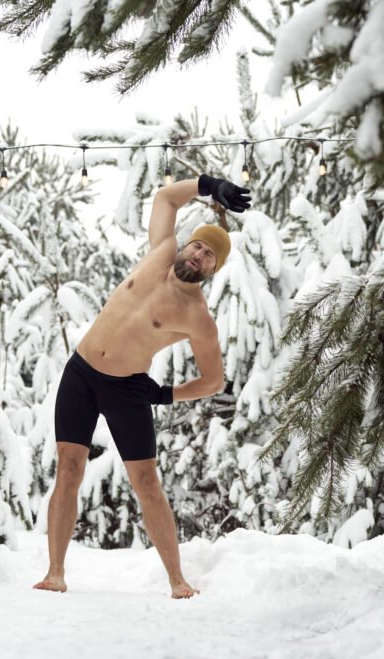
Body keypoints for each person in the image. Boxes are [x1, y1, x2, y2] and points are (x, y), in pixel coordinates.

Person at [33, 173, 252, 599]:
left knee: (147, 481)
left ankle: (177, 580)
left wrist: (164, 394)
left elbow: (213, 380)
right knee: (69, 468)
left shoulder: (197, 317)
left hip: (127, 390)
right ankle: (55, 572)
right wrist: (209, 185)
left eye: (209, 255)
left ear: (213, 269)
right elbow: (167, 197)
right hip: (80, 374)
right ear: (186, 245)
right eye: (198, 245)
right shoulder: (161, 251)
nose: (199, 254)